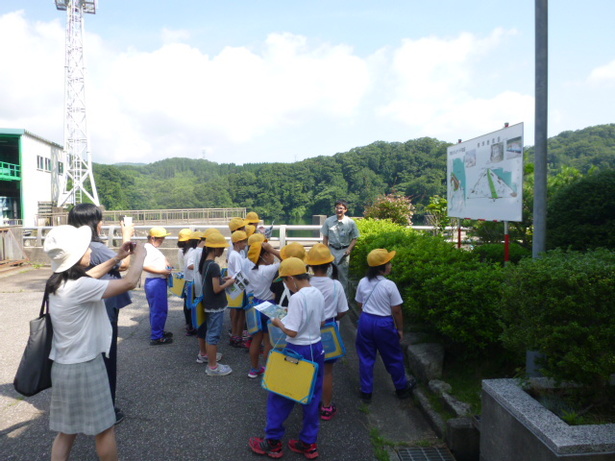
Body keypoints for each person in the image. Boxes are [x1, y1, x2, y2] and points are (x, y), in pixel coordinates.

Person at [43, 225, 145, 461]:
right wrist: (140, 255)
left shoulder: (58, 283)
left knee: (66, 432)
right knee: (105, 429)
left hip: (63, 365)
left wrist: (118, 257)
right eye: (85, 247)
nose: (89, 249)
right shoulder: (80, 287)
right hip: (86, 366)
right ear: (78, 256)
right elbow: (129, 282)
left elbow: (91, 276)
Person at [249, 257, 326, 459]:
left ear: (291, 278)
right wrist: (289, 313)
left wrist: (277, 321)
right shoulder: (316, 292)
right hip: (316, 349)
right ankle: (308, 444)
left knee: (280, 394)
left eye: (284, 281)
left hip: (297, 351)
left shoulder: (298, 297)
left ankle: (273, 442)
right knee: (311, 397)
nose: (285, 285)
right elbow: (322, 320)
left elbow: (291, 332)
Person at [67, 204, 134, 425]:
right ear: (94, 224)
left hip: (87, 311)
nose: (102, 224)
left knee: (90, 358)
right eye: (100, 220)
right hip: (103, 310)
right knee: (106, 358)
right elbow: (125, 266)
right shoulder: (93, 246)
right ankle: (106, 410)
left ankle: (88, 406)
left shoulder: (72, 249)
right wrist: (126, 237)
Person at [355, 249, 414, 403]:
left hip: (366, 321)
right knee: (393, 356)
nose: (391, 265)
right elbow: (397, 310)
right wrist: (400, 329)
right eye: (388, 263)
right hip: (383, 324)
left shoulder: (363, 281)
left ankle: (366, 391)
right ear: (381, 267)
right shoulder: (389, 285)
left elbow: (359, 303)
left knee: (366, 357)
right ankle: (401, 388)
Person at [305, 243, 349, 421]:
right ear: (329, 265)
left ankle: (307, 402)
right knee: (327, 371)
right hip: (329, 330)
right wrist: (334, 318)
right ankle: (326, 406)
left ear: (310, 266)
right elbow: (343, 310)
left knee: (309, 368)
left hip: (308, 332)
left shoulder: (305, 284)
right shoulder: (336, 285)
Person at [197, 232, 236, 376]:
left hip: (209, 304)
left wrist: (223, 279)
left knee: (210, 333)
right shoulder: (213, 266)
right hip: (215, 306)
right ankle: (213, 367)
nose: (222, 251)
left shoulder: (205, 263)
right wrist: (229, 282)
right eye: (221, 248)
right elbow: (216, 288)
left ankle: (210, 359)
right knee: (213, 336)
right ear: (215, 248)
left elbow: (212, 283)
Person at [246, 240, 282, 379]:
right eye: (269, 253)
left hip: (255, 304)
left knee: (256, 339)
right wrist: (272, 249)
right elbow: (289, 261)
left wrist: (269, 250)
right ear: (265, 255)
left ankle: (254, 369)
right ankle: (268, 370)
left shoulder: (251, 270)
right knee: (269, 342)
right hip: (270, 306)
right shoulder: (268, 270)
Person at [320, 200, 360, 297]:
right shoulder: (329, 221)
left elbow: (355, 238)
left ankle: (343, 300)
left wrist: (349, 249)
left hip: (344, 251)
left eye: (341, 208)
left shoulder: (350, 222)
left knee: (343, 276)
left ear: (345, 210)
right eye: (337, 208)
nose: (339, 210)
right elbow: (325, 237)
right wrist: (326, 250)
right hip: (331, 250)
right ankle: (328, 297)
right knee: (329, 275)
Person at [143, 227, 173, 345]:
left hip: (157, 281)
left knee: (158, 309)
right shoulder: (148, 249)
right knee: (159, 310)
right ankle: (156, 336)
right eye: (161, 239)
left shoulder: (151, 248)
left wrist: (165, 264)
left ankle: (158, 331)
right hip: (155, 281)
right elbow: (144, 266)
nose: (163, 241)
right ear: (153, 238)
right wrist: (163, 272)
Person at [228, 230, 248, 348]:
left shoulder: (237, 254)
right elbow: (238, 273)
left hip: (236, 287)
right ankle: (237, 336)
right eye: (244, 242)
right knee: (240, 314)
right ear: (237, 242)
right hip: (239, 287)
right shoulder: (235, 255)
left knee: (238, 312)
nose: (245, 244)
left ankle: (236, 335)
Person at [177, 228, 198, 336]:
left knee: (187, 304)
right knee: (193, 305)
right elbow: (191, 265)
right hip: (192, 281)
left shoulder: (182, 251)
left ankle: (189, 325)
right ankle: (193, 326)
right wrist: (201, 267)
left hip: (186, 280)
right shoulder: (192, 251)